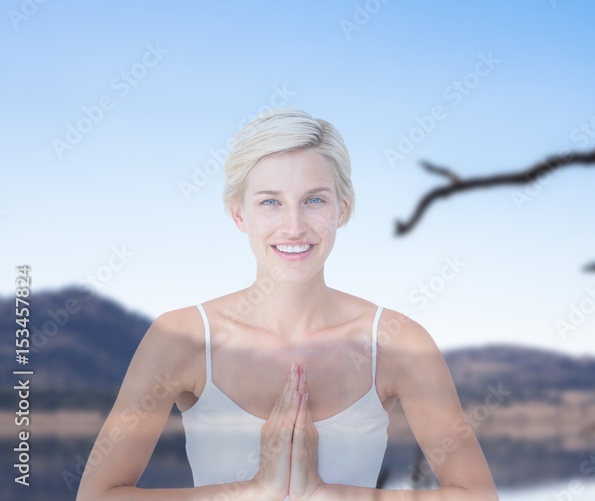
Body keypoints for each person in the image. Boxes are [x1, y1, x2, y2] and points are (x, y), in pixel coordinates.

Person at [77, 108, 499, 500]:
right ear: (238, 213)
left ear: (342, 209)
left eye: (314, 199)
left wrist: (325, 493)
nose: (293, 226)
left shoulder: (398, 341)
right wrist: (255, 489)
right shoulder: (181, 338)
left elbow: (477, 496)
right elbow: (97, 496)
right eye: (270, 201)